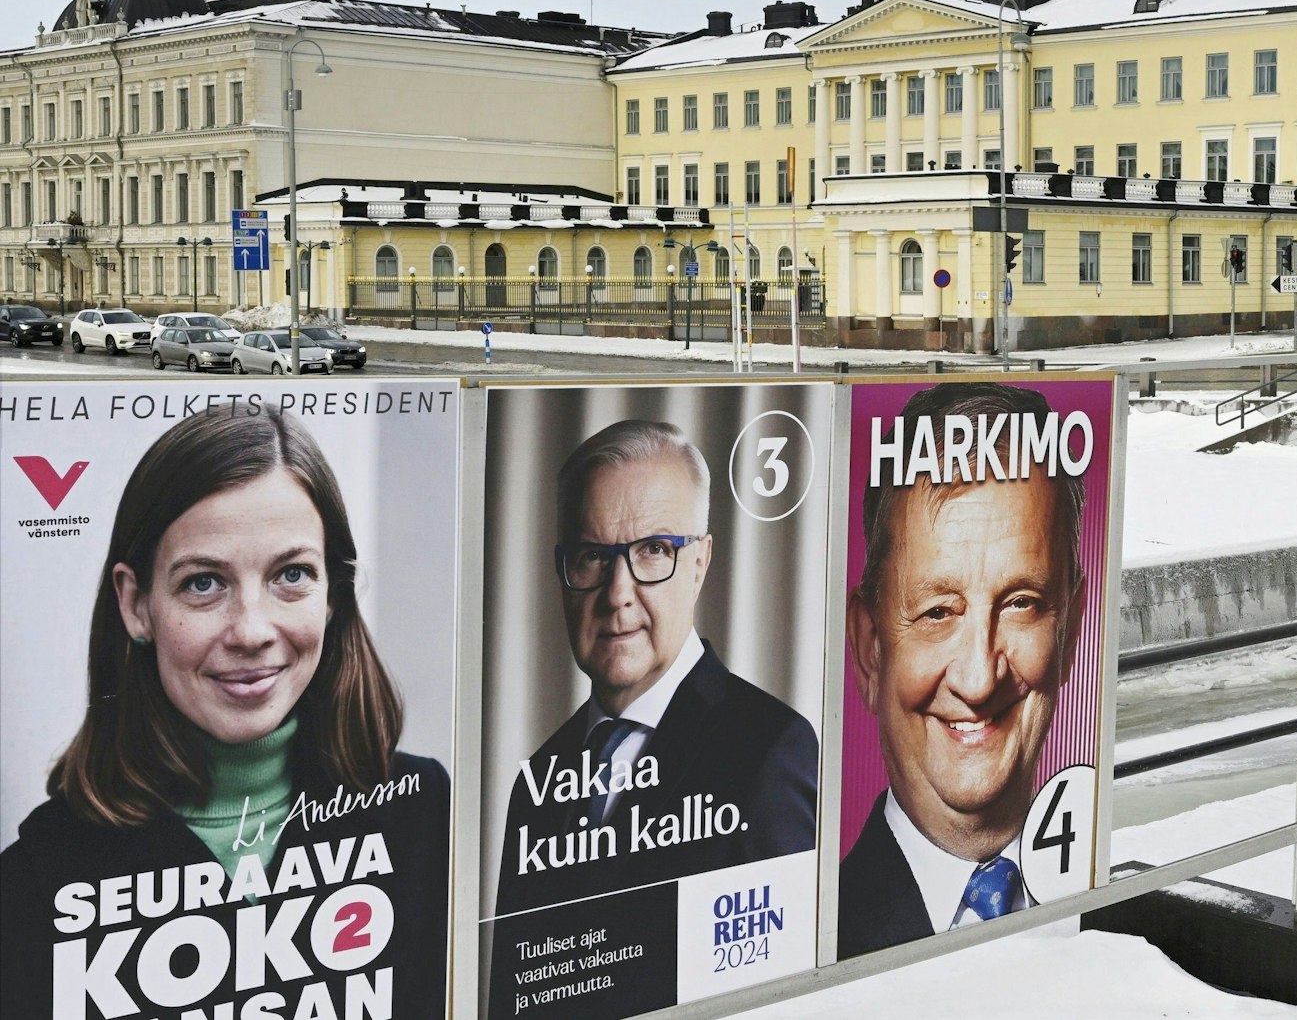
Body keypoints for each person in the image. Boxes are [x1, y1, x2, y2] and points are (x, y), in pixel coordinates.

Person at [0, 407, 448, 1019]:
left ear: (333, 594)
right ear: (136, 605)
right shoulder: (38, 880)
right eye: (204, 583)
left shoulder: (427, 818)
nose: (251, 631)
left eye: (292, 575)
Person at [490, 420, 817, 1008]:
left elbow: (790, 991)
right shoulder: (537, 778)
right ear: (562, 572)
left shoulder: (773, 750)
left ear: (700, 563)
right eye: (593, 556)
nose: (618, 592)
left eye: (653, 551)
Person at [839, 383, 1088, 960]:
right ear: (870, 648)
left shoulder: (1115, 912)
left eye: (1022, 602)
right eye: (937, 612)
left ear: (1071, 626)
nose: (978, 681)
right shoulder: (814, 943)